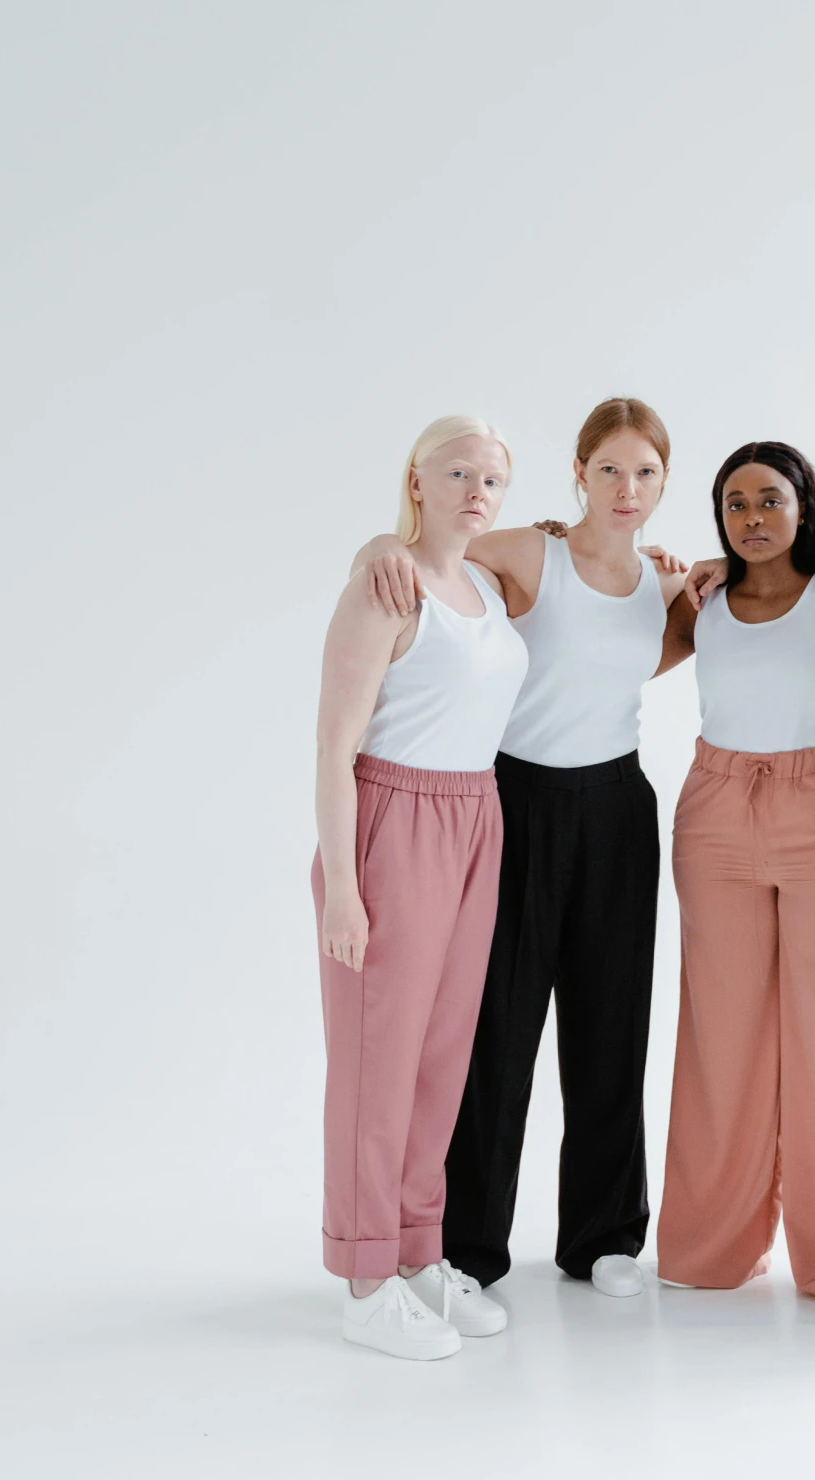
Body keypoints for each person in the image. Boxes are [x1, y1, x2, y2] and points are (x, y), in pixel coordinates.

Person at [353, 398, 690, 1299]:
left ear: (665, 482)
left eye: (645, 473)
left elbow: (769, 589)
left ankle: (605, 1234)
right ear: (577, 473)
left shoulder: (670, 587)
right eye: (609, 469)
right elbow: (419, 551)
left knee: (611, 1025)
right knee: (495, 1028)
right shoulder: (527, 552)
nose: (627, 488)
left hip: (618, 806)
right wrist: (374, 550)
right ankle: (466, 1243)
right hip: (518, 800)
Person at [651, 442, 815, 1311]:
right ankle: (712, 1241)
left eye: (770, 500)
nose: (752, 518)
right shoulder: (703, 600)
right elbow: (610, 646)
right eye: (735, 504)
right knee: (722, 1031)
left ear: (806, 507)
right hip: (715, 810)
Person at [311, 415, 529, 1359]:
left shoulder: (487, 583)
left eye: (492, 478)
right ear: (417, 478)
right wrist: (344, 888)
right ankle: (363, 1280)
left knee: (442, 1057)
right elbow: (332, 747)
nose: (477, 490)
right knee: (378, 1059)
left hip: (477, 814)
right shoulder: (384, 583)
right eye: (457, 472)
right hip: (392, 818)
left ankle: (415, 1253)